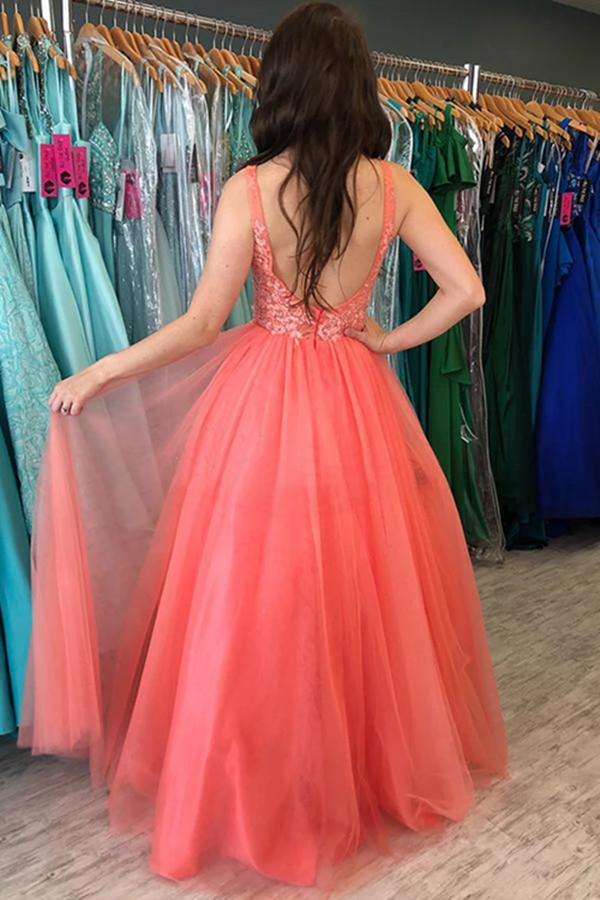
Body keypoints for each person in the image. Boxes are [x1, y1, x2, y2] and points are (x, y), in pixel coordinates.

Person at [19, 2, 508, 889]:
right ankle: (358, 771)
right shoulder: (394, 186)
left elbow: (203, 324)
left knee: (256, 602)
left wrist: (100, 371)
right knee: (358, 593)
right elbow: (467, 289)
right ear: (358, 86)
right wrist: (384, 340)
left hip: (262, 406)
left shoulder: (249, 189)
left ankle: (258, 779)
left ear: (280, 84)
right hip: (355, 401)